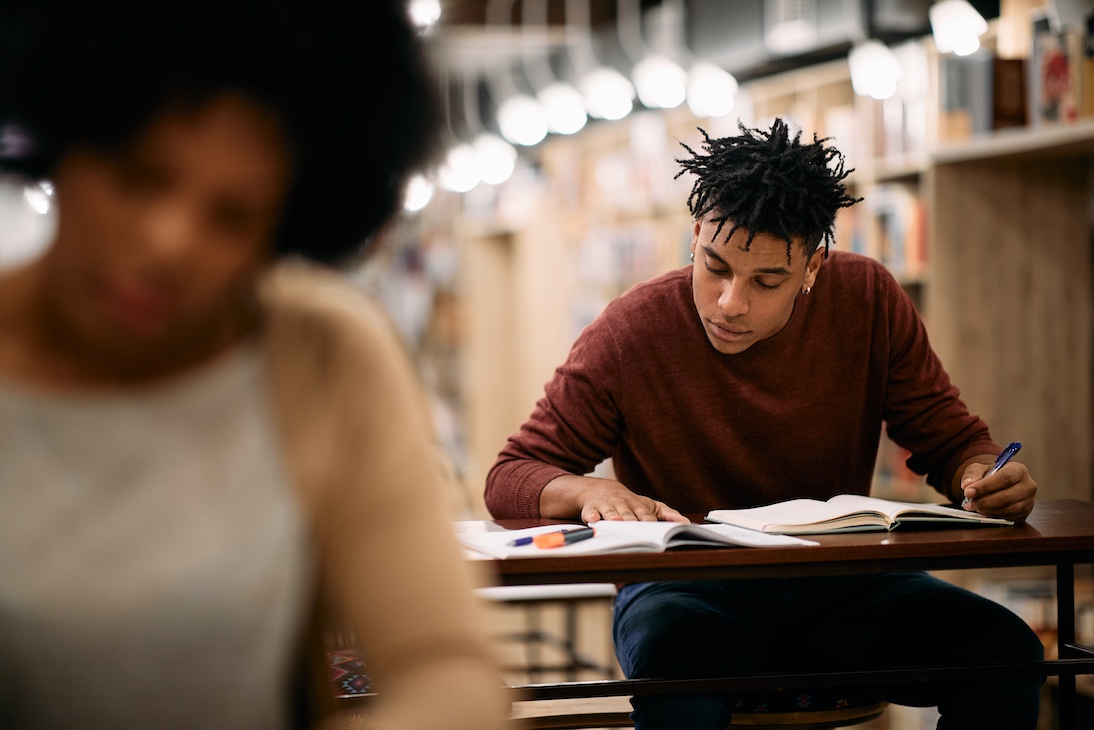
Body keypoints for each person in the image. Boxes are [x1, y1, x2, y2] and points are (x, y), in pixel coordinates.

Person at [0, 3, 507, 729]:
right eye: (138, 177)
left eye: (232, 216)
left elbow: (448, 669)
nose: (169, 242)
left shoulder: (322, 355)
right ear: (70, 138)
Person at [485, 119, 1043, 729]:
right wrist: (589, 488)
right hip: (687, 590)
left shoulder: (868, 299)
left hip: (839, 581)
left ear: (812, 267)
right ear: (695, 235)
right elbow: (511, 475)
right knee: (682, 677)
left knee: (1008, 654)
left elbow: (948, 435)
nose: (730, 302)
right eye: (715, 266)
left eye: (767, 281)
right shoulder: (632, 330)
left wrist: (983, 474)